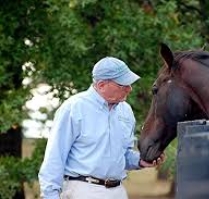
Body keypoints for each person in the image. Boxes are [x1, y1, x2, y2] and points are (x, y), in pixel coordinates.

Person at [38, 57, 165, 199]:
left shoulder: (126, 111)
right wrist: (50, 195)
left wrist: (140, 161)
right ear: (101, 85)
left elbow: (123, 155)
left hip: (118, 191)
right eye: (123, 85)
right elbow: (55, 157)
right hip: (83, 190)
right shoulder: (74, 108)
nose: (129, 89)